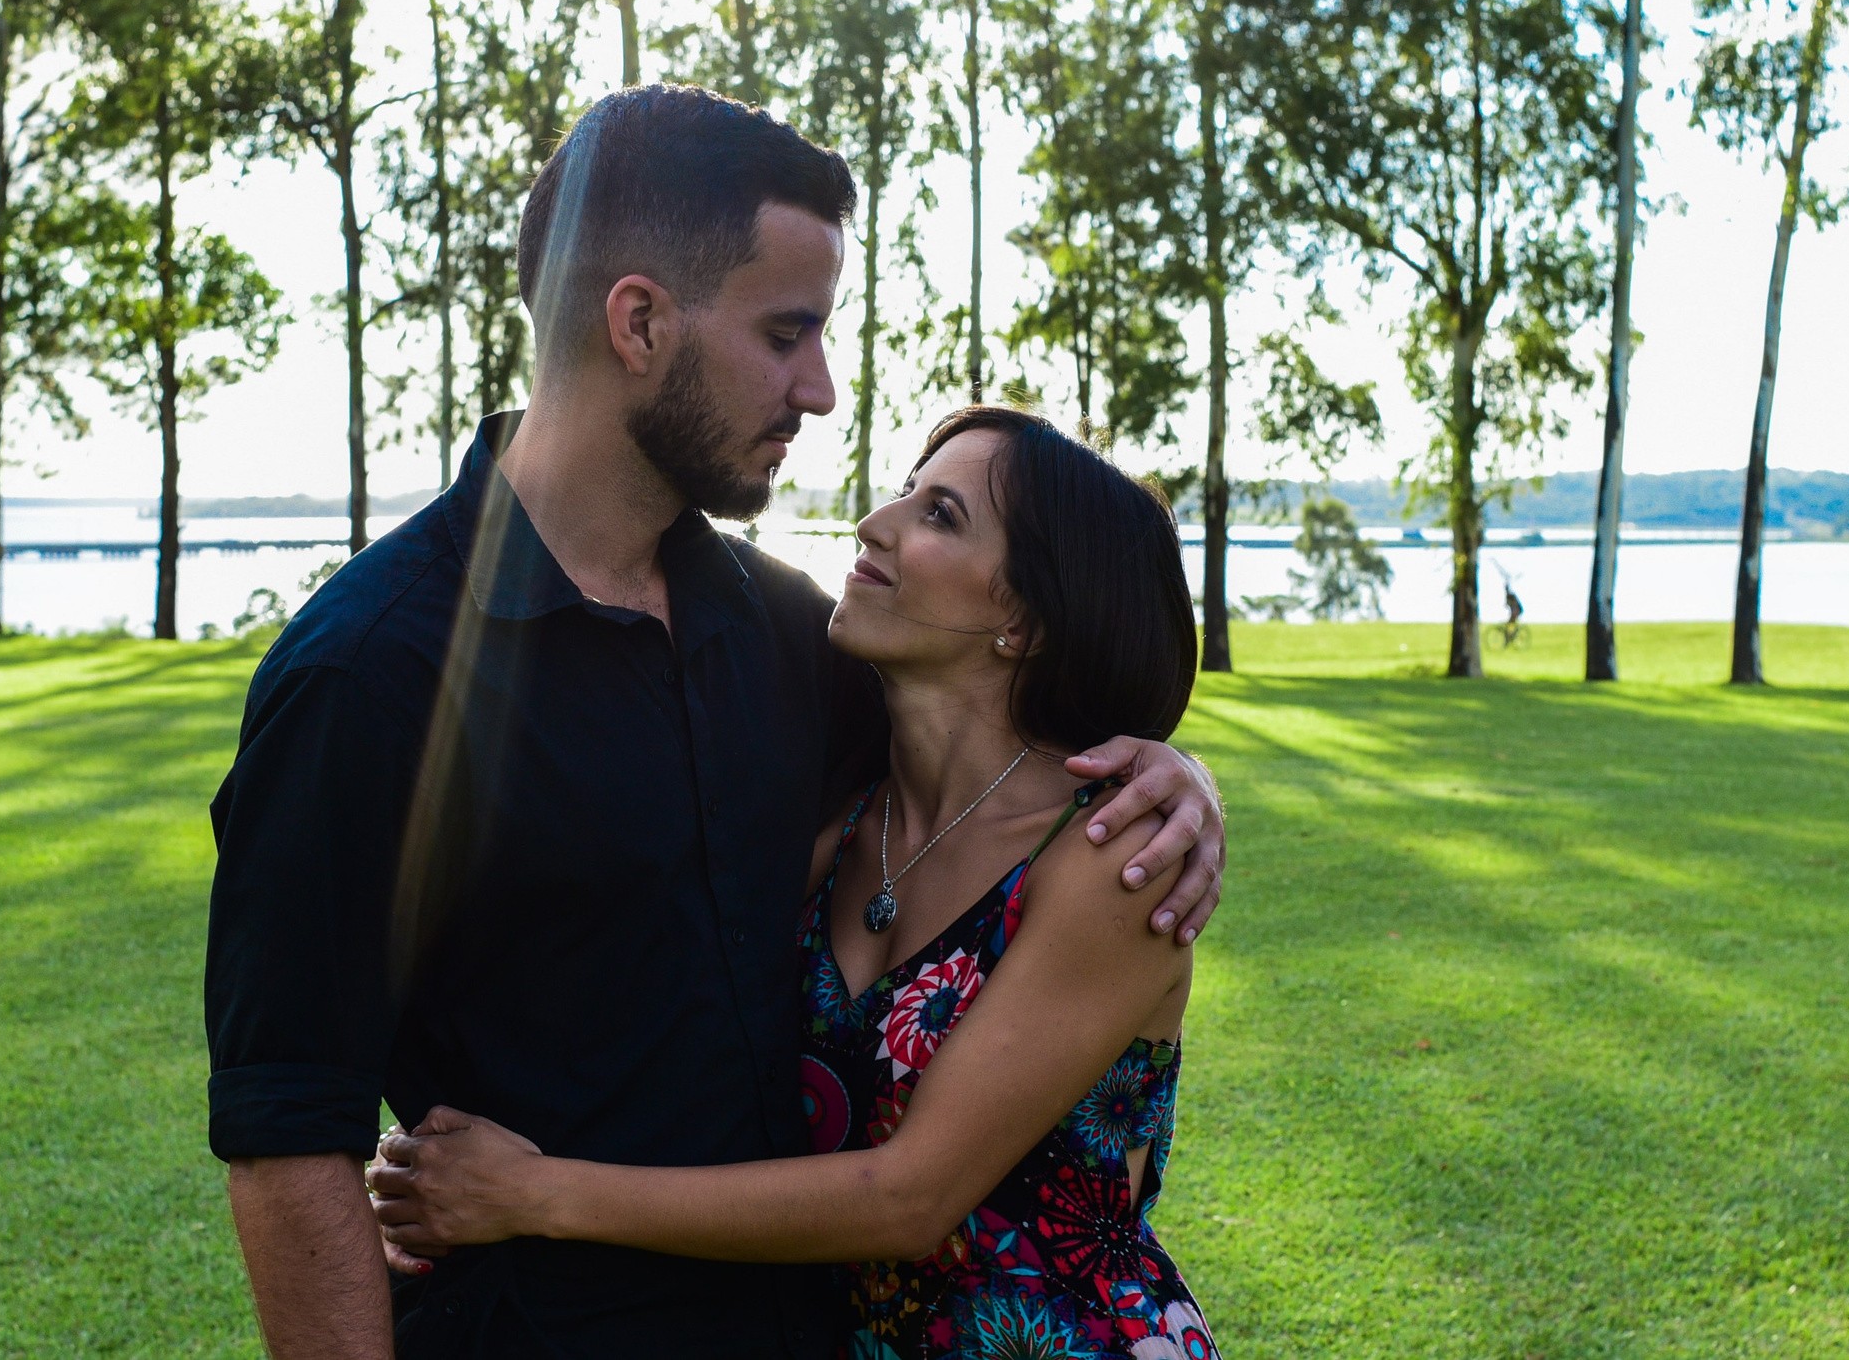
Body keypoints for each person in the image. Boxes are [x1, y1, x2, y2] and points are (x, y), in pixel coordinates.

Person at [203, 85, 1227, 1360]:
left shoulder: (789, 632)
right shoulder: (367, 674)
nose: (822, 388)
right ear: (638, 321)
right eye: (787, 332)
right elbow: (288, 1138)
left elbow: (1009, 737)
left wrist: (1176, 772)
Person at [367, 406, 1222, 1360]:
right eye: (905, 488)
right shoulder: (841, 822)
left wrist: (532, 1195)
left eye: (939, 513)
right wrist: (447, 1168)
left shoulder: (1117, 856)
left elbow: (908, 1197)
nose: (876, 522)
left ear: (1021, 618)